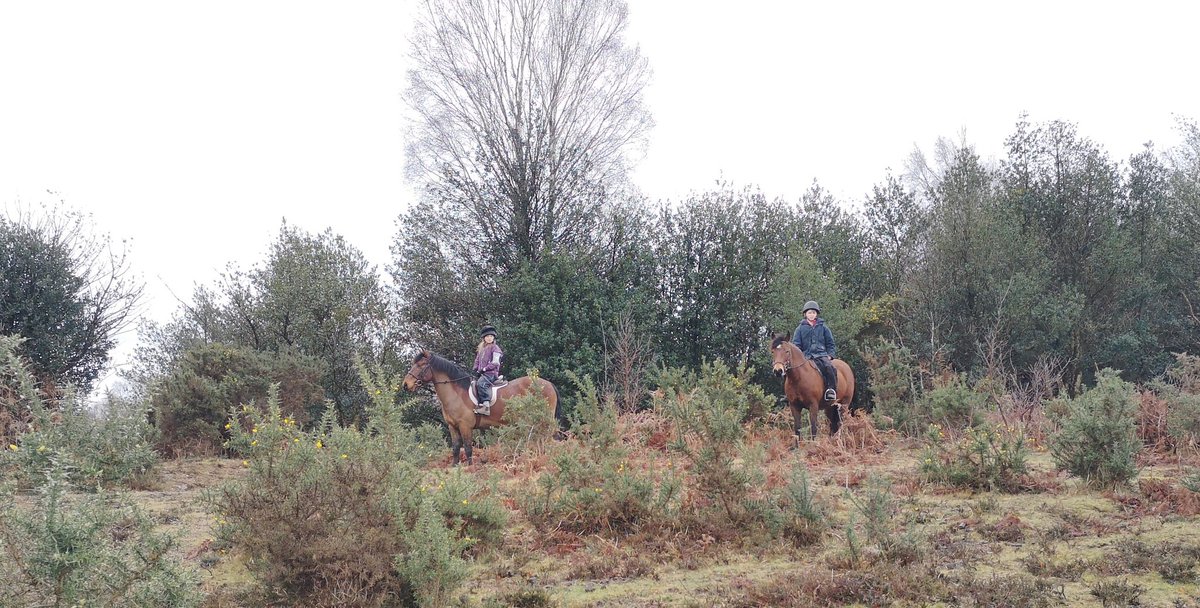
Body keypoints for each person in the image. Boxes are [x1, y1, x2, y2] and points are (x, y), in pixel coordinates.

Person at [791, 301, 838, 402]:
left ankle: (831, 390)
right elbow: (796, 345)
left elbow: (830, 343)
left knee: (829, 367)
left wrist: (830, 355)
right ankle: (790, 393)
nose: (811, 315)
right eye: (809, 313)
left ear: (816, 314)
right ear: (805, 314)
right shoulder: (799, 329)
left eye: (813, 312)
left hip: (821, 355)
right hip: (806, 356)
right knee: (790, 370)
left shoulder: (823, 327)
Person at [473, 325, 503, 415]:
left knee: (481, 384)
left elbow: (495, 362)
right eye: (487, 336)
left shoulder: (495, 348)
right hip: (482, 373)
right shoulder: (481, 349)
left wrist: (484, 369)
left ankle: (486, 407)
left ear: (493, 337)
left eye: (491, 336)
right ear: (484, 338)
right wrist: (475, 369)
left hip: (491, 373)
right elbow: (477, 360)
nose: (489, 338)